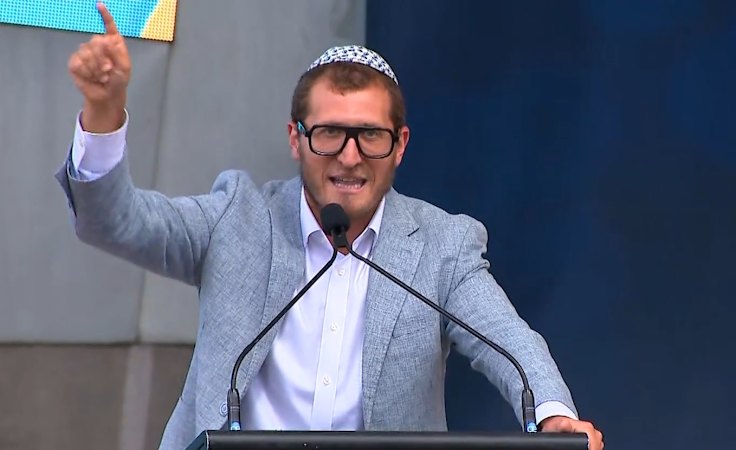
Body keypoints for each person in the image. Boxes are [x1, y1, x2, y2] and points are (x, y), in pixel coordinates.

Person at [58, 3, 604, 450]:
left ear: (401, 146)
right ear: (295, 138)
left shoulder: (442, 246)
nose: (348, 157)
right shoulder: (237, 218)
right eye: (329, 134)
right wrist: (103, 112)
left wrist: (552, 417)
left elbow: (509, 342)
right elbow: (116, 223)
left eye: (370, 135)